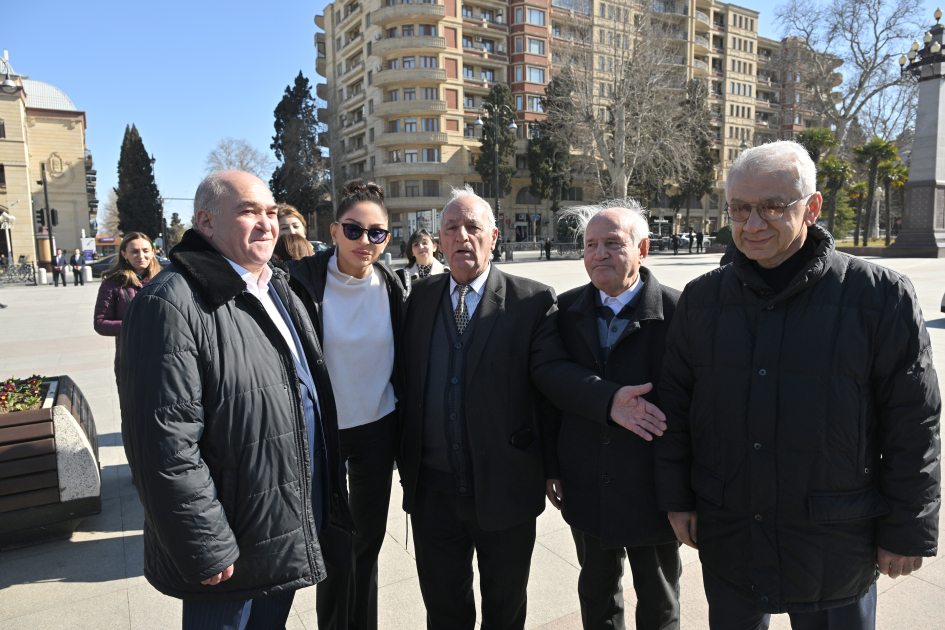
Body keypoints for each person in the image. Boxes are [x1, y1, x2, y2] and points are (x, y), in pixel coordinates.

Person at [656, 141, 941, 629]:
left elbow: (912, 422)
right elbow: (677, 411)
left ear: (812, 208)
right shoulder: (702, 300)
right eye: (740, 209)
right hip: (732, 532)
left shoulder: (879, 296)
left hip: (836, 540)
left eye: (771, 207)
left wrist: (908, 528)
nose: (752, 224)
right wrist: (677, 498)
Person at [399, 186, 668, 630]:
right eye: (451, 228)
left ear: (494, 236)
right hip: (432, 494)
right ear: (439, 240)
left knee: (505, 612)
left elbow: (552, 375)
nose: (461, 237)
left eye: (473, 227)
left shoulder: (532, 300)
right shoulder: (419, 299)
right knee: (444, 612)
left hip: (505, 493)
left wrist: (607, 400)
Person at [119, 170, 353, 630]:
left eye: (271, 211)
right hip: (229, 542)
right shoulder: (170, 303)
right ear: (206, 222)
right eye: (249, 212)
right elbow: (163, 445)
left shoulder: (274, 286)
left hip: (277, 523)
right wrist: (205, 542)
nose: (268, 224)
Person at [547, 202, 682, 630]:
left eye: (612, 243)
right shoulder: (562, 311)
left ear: (642, 248)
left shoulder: (680, 313)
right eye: (590, 244)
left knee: (659, 600)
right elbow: (549, 387)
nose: (599, 254)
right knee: (597, 595)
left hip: (653, 491)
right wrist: (553, 466)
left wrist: (684, 492)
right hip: (586, 482)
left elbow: (693, 410)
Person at [286, 181, 409, 630]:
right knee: (335, 546)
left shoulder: (392, 286)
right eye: (355, 231)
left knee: (369, 542)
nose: (365, 242)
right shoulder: (301, 283)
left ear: (387, 239)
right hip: (325, 432)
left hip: (379, 426)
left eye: (377, 233)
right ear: (335, 231)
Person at [94, 232, 162, 383]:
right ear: (124, 254)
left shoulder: (165, 279)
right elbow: (100, 323)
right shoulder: (112, 283)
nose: (141, 256)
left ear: (152, 252)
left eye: (145, 251)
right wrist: (137, 326)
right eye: (134, 251)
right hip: (132, 358)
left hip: (165, 356)